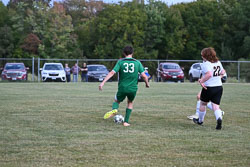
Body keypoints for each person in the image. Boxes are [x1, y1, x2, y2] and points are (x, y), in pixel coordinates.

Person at [99, 46, 150, 127]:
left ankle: (114, 109)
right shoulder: (137, 62)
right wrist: (147, 83)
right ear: (132, 53)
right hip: (133, 88)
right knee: (130, 102)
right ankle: (126, 122)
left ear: (123, 53)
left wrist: (103, 82)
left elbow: (112, 72)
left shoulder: (120, 62)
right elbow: (144, 75)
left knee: (116, 100)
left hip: (122, 87)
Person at [193, 47, 226, 130]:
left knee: (202, 103)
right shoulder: (218, 62)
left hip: (209, 88)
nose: (201, 57)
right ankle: (219, 119)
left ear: (206, 56)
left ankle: (200, 121)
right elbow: (223, 72)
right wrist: (218, 78)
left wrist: (201, 81)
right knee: (216, 106)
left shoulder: (205, 64)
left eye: (202, 55)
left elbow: (209, 74)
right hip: (219, 87)